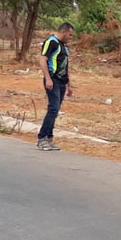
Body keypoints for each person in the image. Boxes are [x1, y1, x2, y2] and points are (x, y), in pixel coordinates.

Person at [37, 22, 75, 151]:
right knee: (53, 108)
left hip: (62, 81)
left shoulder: (64, 46)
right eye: (69, 35)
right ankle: (42, 138)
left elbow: (65, 65)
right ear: (64, 32)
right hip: (53, 80)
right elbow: (42, 60)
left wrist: (70, 84)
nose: (70, 37)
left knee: (55, 110)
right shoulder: (51, 42)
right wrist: (48, 78)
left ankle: (49, 138)